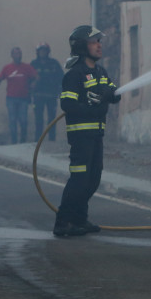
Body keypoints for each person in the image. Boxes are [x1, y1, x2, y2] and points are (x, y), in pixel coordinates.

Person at [52, 25, 120, 237]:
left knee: (93, 179)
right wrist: (90, 106)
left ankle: (80, 219)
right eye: (94, 42)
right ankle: (63, 223)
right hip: (81, 137)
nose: (99, 45)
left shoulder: (100, 71)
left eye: (99, 41)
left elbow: (115, 94)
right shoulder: (75, 75)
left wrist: (110, 93)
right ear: (82, 46)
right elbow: (68, 105)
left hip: (96, 135)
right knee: (79, 180)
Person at [0, 47, 36, 144]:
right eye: (16, 54)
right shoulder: (7, 68)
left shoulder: (27, 67)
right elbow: (0, 79)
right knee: (12, 120)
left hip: (24, 98)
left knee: (23, 120)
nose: (18, 55)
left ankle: (23, 141)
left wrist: (33, 84)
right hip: (11, 98)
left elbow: (36, 77)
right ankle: (14, 142)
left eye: (19, 53)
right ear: (12, 56)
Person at [30, 43, 63, 141]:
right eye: (41, 51)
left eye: (44, 50)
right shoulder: (34, 64)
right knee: (38, 119)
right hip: (38, 96)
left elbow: (61, 78)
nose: (42, 53)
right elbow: (28, 79)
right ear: (38, 52)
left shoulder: (54, 64)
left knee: (52, 119)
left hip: (51, 96)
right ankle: (38, 140)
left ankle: (51, 140)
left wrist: (61, 90)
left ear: (48, 52)